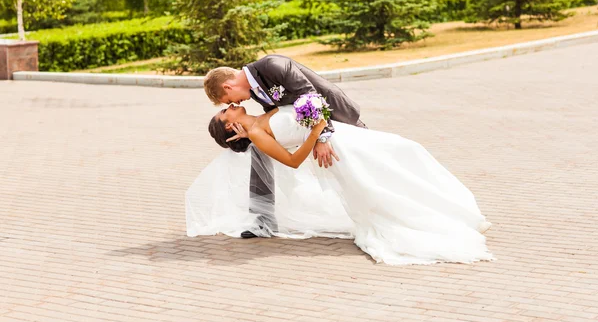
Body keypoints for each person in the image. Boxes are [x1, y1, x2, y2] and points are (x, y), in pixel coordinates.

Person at [185, 104, 494, 266]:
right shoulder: (257, 136)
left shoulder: (261, 114)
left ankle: (453, 211)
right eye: (225, 110)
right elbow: (292, 161)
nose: (231, 105)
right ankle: (437, 220)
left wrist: (316, 116)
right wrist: (316, 132)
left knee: (405, 151)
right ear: (230, 126)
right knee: (397, 160)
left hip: (340, 136)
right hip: (337, 149)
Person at [203, 54, 367, 238]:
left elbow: (309, 95)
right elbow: (276, 117)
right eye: (228, 105)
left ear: (227, 86)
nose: (234, 104)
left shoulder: (272, 66)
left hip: (335, 114)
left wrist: (322, 137)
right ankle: (263, 220)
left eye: (227, 101)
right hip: (308, 126)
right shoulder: (255, 91)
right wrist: (249, 134)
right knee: (258, 150)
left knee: (366, 159)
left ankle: (372, 204)